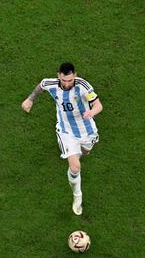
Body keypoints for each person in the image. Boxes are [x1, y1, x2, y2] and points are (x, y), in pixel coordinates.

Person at [21, 62, 103, 215]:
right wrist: (30, 99)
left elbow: (98, 105)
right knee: (74, 167)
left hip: (87, 130)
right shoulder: (51, 83)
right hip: (66, 131)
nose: (66, 84)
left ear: (75, 76)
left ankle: (79, 152)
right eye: (64, 80)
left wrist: (93, 112)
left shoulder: (83, 85)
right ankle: (77, 196)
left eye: (70, 80)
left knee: (85, 152)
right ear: (59, 76)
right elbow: (41, 86)